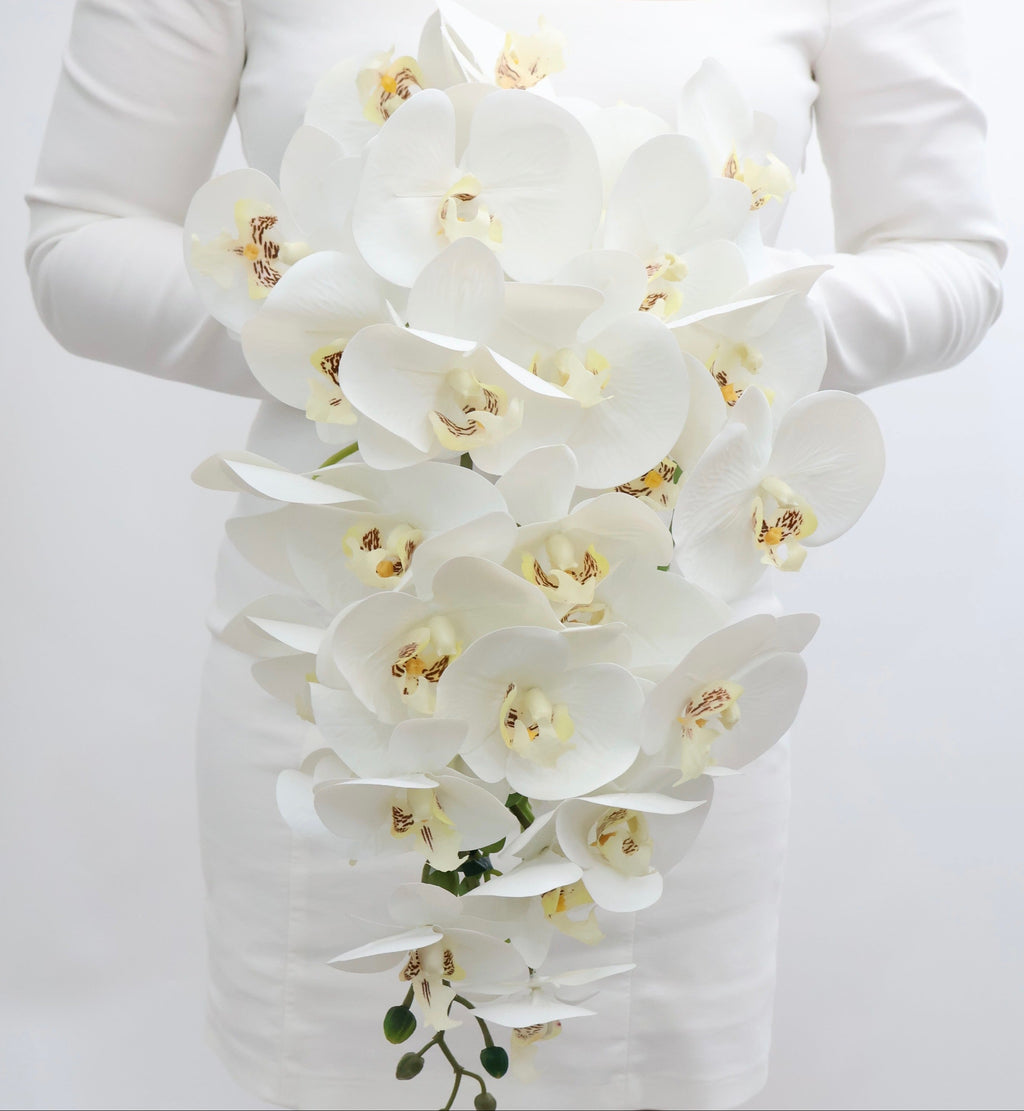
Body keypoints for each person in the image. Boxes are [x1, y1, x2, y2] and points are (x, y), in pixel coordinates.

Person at [25, 1, 1005, 1109]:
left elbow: (955, 258)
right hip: (342, 688)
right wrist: (382, 344)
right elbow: (78, 239)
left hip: (664, 699)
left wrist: (702, 340)